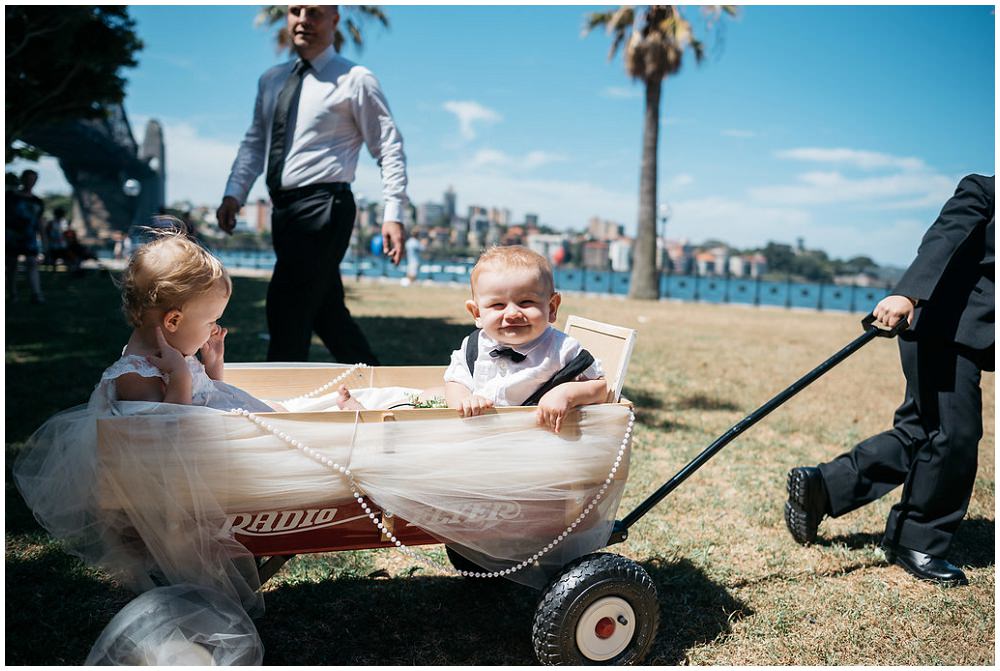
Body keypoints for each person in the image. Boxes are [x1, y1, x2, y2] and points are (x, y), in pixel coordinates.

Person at [785, 174, 994, 587]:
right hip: (943, 327)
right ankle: (918, 540)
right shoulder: (986, 189)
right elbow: (944, 237)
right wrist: (907, 294)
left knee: (921, 431)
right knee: (954, 435)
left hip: (968, 334)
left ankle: (822, 488)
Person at [217, 4, 408, 366]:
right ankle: (378, 385)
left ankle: (277, 397)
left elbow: (389, 147)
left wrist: (393, 213)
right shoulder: (271, 79)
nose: (304, 18)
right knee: (325, 311)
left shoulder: (356, 79)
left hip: (325, 206)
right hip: (284, 210)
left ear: (335, 21)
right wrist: (234, 191)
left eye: (315, 12)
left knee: (286, 306)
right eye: (295, 10)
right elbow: (256, 142)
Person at [443, 245, 609, 433]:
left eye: (526, 302)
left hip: (539, 439)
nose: (512, 313)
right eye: (498, 305)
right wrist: (465, 400)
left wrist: (566, 393)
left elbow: (600, 387)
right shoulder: (474, 346)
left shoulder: (563, 349)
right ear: (477, 313)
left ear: (552, 308)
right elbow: (455, 381)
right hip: (480, 436)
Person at [5, 169, 45, 303]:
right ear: (23, 179)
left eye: (33, 179)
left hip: (30, 238)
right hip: (12, 236)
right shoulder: (10, 196)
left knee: (32, 263)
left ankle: (36, 293)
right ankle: (12, 293)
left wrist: (44, 240)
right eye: (28, 179)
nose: (30, 182)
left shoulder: (37, 201)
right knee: (12, 264)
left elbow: (39, 222)